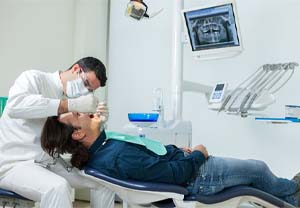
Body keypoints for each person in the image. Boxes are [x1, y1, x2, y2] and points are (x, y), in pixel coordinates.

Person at [40, 111, 300, 207]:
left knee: (255, 180)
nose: (84, 111)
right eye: (78, 114)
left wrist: (174, 149)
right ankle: (292, 193)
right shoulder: (116, 156)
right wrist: (199, 153)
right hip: (200, 177)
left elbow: (148, 160)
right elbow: (177, 176)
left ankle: (288, 194)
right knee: (257, 170)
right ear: (78, 132)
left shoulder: (102, 152)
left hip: (189, 168)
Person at [0, 57, 115, 208]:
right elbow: (14, 107)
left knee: (103, 180)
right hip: (15, 164)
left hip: (47, 161)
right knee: (58, 188)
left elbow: (73, 140)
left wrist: (98, 123)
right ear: (75, 69)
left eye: (90, 90)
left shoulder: (69, 99)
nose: (86, 92)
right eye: (86, 84)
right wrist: (69, 105)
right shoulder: (34, 78)